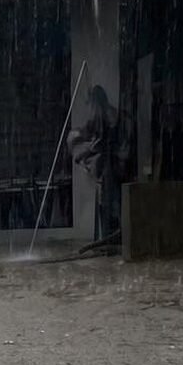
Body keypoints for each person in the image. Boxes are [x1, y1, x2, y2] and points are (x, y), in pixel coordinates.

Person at [68, 85, 132, 246]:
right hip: (115, 167)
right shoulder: (115, 115)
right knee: (113, 204)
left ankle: (108, 241)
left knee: (107, 204)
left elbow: (95, 141)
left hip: (108, 167)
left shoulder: (100, 117)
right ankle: (113, 240)